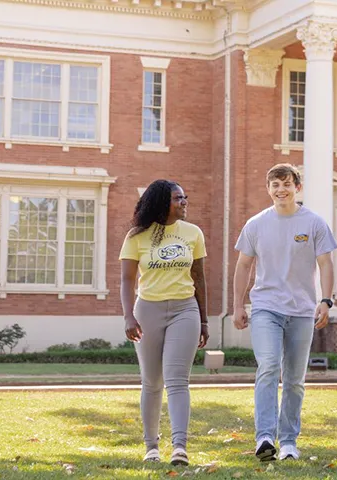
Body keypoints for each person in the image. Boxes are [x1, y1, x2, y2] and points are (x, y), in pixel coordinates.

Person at [232, 163, 336, 462]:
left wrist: (326, 300)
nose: (281, 190)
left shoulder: (314, 223)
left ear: (297, 187)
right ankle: (265, 436)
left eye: (287, 184)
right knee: (268, 365)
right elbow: (243, 265)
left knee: (294, 379)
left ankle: (288, 440)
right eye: (275, 185)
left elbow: (326, 264)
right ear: (268, 189)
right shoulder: (256, 224)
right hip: (266, 307)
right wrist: (239, 305)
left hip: (302, 311)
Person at [119, 179, 209, 466]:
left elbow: (200, 278)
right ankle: (151, 447)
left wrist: (204, 320)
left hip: (185, 309)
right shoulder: (137, 236)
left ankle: (180, 447)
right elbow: (126, 279)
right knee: (152, 382)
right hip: (148, 311)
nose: (184, 202)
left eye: (185, 197)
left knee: (178, 380)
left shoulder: (193, 233)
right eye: (177, 198)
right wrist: (128, 316)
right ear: (161, 203)